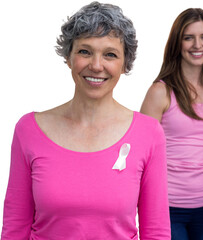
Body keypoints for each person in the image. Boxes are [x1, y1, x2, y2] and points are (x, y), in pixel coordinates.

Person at [1, 2, 170, 239]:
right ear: (68, 57)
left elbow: (156, 231)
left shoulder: (149, 133)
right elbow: (14, 227)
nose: (96, 65)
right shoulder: (28, 130)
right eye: (84, 51)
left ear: (125, 64)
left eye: (110, 54)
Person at [141, 8, 203, 240]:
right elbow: (142, 152)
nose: (198, 45)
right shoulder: (160, 91)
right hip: (168, 207)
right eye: (189, 37)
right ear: (177, 43)